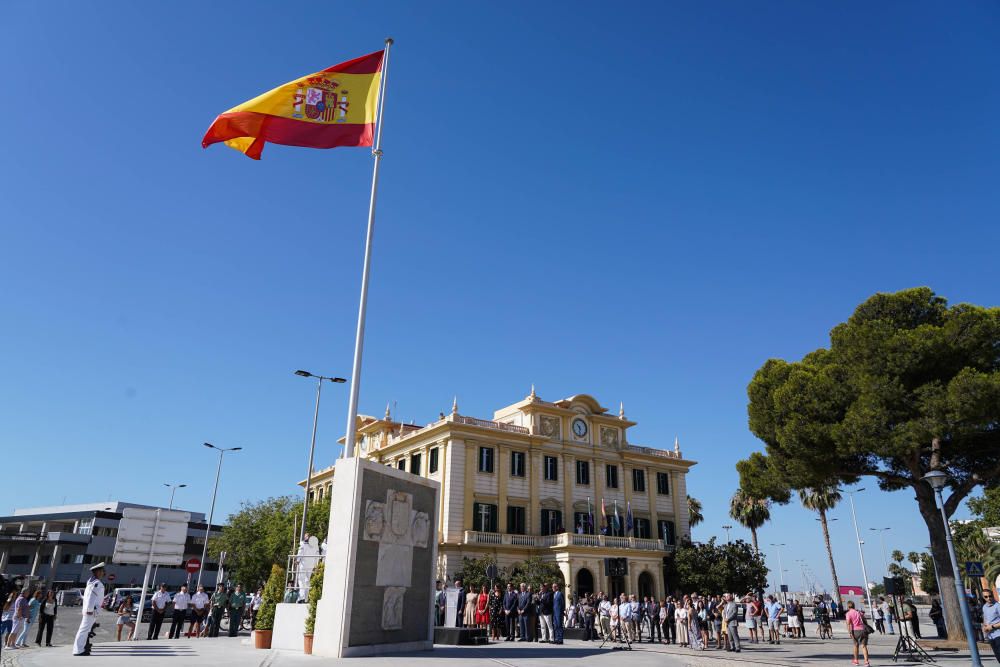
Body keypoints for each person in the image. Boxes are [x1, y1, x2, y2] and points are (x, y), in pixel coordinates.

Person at [73, 562, 107, 656]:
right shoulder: (97, 583)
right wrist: (90, 610)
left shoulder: (91, 582)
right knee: (84, 630)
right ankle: (78, 650)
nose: (104, 572)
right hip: (91, 611)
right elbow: (91, 597)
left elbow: (87, 597)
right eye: (102, 571)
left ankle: (80, 649)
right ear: (98, 572)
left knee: (84, 630)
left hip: (90, 610)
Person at [845, 600, 872, 667]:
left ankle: (856, 661)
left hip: (855, 631)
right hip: (863, 630)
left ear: (848, 606)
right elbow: (865, 621)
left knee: (856, 645)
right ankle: (866, 662)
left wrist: (850, 632)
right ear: (854, 605)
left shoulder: (848, 613)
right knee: (864, 646)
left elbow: (848, 624)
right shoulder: (859, 612)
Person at [982, 589, 1000, 662]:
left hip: (998, 635)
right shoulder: (984, 607)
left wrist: (992, 627)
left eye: (990, 596)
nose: (988, 598)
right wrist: (985, 626)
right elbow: (985, 619)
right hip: (990, 636)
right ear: (983, 597)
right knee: (998, 657)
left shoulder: (997, 606)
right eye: (986, 597)